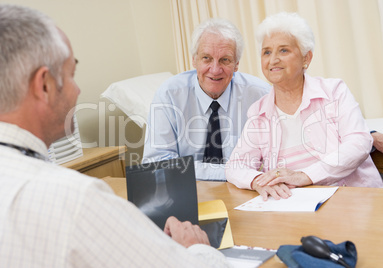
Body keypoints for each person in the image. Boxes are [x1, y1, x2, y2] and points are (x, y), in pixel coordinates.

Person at [0, 4, 229, 267]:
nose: (77, 89)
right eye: (71, 74)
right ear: (44, 85)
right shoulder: (77, 200)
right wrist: (198, 249)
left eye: (224, 60)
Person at [225, 12, 383, 200]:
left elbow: (358, 143)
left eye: (283, 50)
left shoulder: (334, 91)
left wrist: (305, 176)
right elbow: (235, 166)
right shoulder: (259, 111)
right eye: (267, 52)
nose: (273, 59)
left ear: (306, 58)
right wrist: (258, 180)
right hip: (293, 209)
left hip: (353, 199)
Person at [142, 18, 271, 181]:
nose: (215, 70)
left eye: (225, 60)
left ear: (236, 64)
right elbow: (156, 163)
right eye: (206, 58)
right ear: (194, 60)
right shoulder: (169, 95)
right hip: (187, 191)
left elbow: (274, 160)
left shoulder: (261, 95)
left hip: (245, 191)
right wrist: (232, 172)